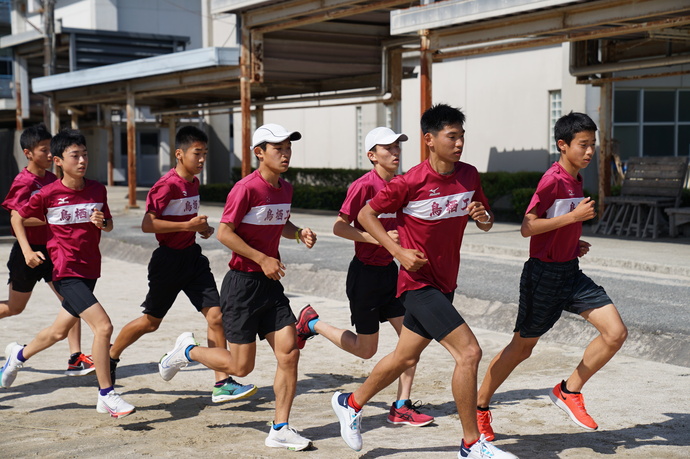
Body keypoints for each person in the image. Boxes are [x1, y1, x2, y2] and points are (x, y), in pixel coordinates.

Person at [330, 104, 517, 459]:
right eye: (452, 136)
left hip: (446, 284)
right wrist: (396, 252)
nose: (459, 143)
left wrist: (484, 216)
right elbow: (367, 214)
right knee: (469, 352)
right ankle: (470, 443)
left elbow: (487, 220)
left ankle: (350, 402)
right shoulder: (410, 181)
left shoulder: (469, 175)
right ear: (429, 140)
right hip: (417, 285)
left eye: (462, 136)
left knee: (403, 357)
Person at [157, 123, 317, 451]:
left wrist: (299, 232)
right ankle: (186, 352)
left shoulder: (285, 188)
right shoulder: (246, 188)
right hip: (242, 285)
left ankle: (281, 428)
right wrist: (262, 258)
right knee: (241, 366)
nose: (285, 153)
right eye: (278, 148)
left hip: (270, 285)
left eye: (288, 147)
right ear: (259, 152)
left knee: (289, 352)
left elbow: (279, 221)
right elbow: (225, 233)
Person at [475, 112, 627, 440]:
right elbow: (527, 227)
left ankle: (568, 391)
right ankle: (480, 408)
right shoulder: (553, 180)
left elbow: (557, 222)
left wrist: (574, 237)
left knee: (615, 333)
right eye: (583, 145)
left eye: (593, 145)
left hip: (570, 272)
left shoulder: (576, 179)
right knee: (522, 348)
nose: (590, 152)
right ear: (563, 145)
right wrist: (573, 217)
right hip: (543, 276)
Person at [296, 127, 433, 427]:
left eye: (397, 147)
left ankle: (401, 405)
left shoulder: (402, 184)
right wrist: (379, 239)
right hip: (365, 277)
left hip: (391, 276)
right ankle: (312, 323)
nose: (395, 152)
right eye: (388, 148)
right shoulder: (363, 186)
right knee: (365, 350)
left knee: (411, 342)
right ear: (372, 155)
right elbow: (339, 227)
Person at [108, 126, 255, 403]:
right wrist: (187, 225)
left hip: (193, 259)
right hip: (167, 262)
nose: (202, 160)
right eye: (197, 154)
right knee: (151, 322)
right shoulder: (166, 185)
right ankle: (112, 355)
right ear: (179, 154)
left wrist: (200, 229)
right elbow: (147, 224)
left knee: (216, 317)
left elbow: (186, 222)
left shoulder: (193, 184)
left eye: (205, 154)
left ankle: (222, 383)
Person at [1, 129, 134, 418]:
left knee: (59, 331)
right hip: (64, 270)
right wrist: (26, 251)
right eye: (75, 155)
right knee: (103, 327)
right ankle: (106, 395)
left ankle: (18, 355)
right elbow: (18, 217)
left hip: (90, 270)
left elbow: (108, 223)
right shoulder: (47, 193)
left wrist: (103, 222)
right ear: (59, 160)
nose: (83, 160)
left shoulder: (98, 189)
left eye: (85, 154)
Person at [1, 124, 95, 377]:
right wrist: (46, 223)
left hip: (54, 251)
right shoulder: (24, 181)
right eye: (43, 150)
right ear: (28, 153)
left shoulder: (53, 179)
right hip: (27, 252)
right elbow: (16, 217)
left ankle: (75, 357)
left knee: (72, 301)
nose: (48, 154)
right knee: (14, 307)